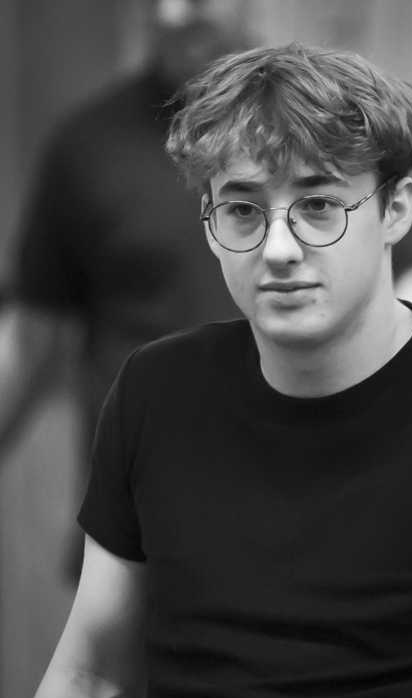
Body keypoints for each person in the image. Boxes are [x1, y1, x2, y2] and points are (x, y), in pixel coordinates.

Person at [15, 43, 412, 698]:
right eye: (242, 210)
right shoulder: (156, 392)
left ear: (395, 210)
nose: (278, 248)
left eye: (319, 205)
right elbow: (94, 680)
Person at [0, 0, 252, 579]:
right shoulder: (87, 143)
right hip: (136, 529)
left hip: (292, 514)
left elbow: (405, 288)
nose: (176, 12)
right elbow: (32, 335)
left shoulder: (312, 131)